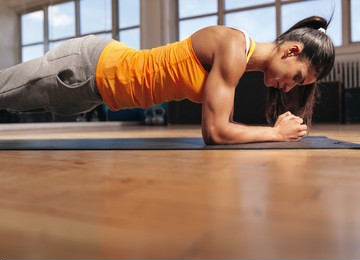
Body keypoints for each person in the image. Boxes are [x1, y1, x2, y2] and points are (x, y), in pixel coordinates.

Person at [0, 16, 334, 144]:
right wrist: (275, 133)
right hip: (88, 68)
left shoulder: (239, 62)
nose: (289, 87)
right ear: (291, 51)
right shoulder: (233, 48)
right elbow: (216, 132)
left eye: (296, 87)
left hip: (92, 91)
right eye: (297, 78)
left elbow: (225, 125)